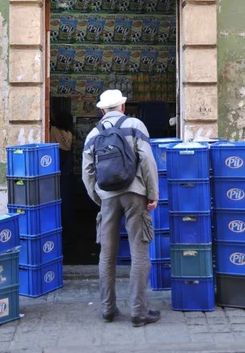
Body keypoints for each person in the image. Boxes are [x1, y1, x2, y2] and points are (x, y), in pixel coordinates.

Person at [82, 89, 160, 327]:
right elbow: (147, 160)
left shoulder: (93, 134)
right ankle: (138, 312)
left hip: (107, 197)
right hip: (135, 195)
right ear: (123, 107)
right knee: (139, 253)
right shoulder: (136, 125)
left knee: (107, 255)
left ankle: (108, 310)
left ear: (102, 110)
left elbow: (87, 173)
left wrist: (99, 197)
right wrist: (152, 193)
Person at [50, 111, 75, 254]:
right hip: (67, 173)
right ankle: (70, 237)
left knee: (57, 206)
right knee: (68, 207)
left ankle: (59, 236)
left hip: (56, 172)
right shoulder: (69, 134)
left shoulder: (52, 131)